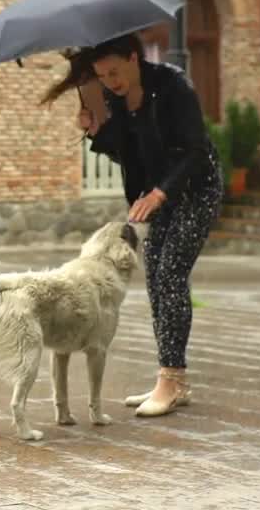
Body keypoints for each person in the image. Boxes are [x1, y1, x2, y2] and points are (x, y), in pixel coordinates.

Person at [40, 33, 223, 418]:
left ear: (134, 58)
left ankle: (170, 379)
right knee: (155, 276)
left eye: (115, 72)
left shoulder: (173, 86)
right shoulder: (115, 98)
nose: (110, 82)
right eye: (102, 76)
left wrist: (160, 193)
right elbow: (127, 151)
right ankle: (173, 380)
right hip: (154, 194)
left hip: (194, 190)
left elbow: (193, 149)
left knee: (171, 274)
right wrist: (96, 132)